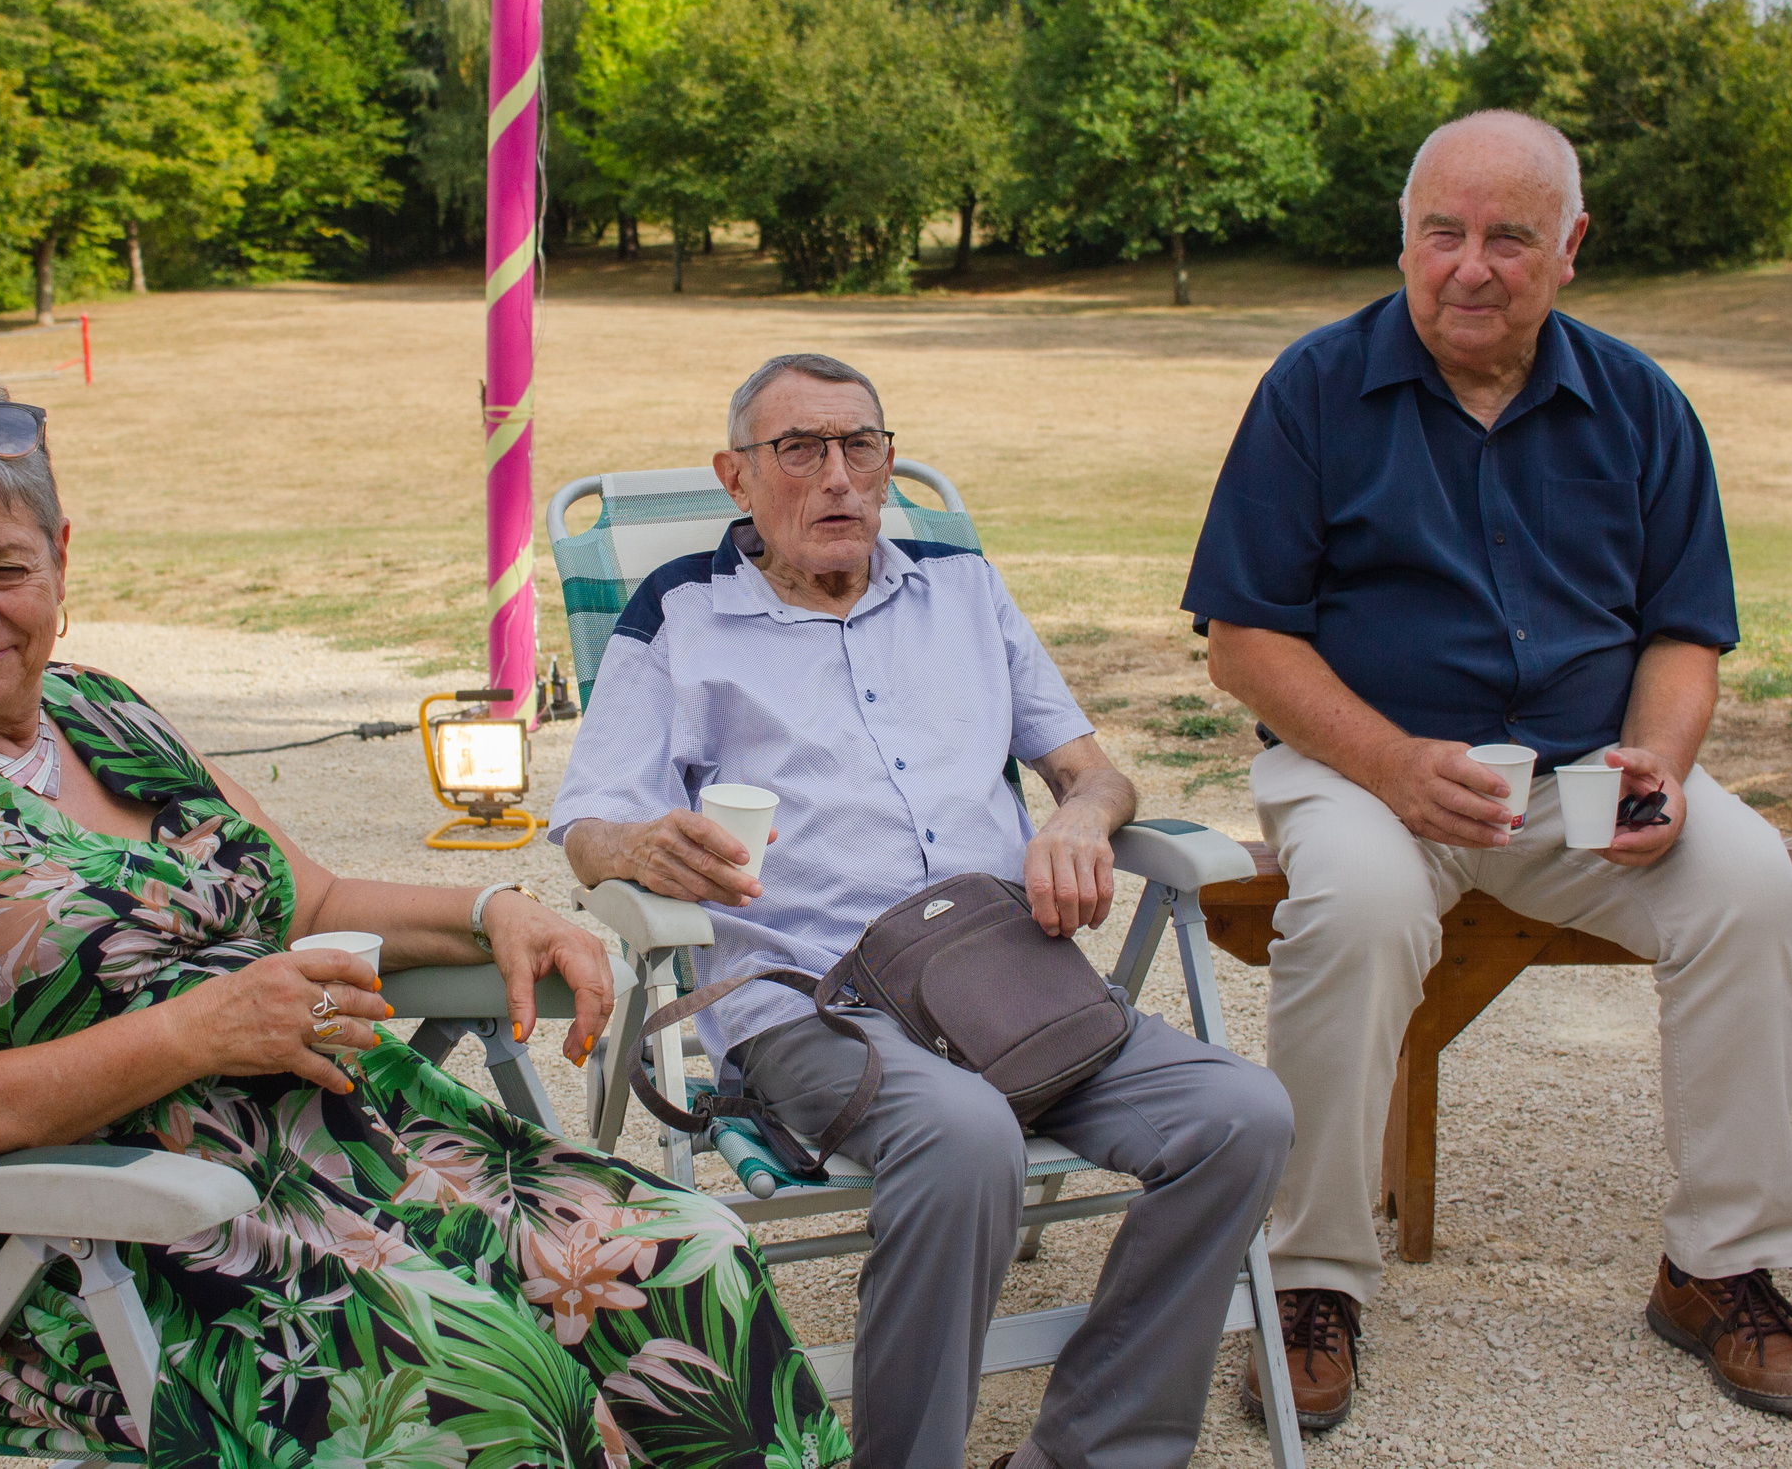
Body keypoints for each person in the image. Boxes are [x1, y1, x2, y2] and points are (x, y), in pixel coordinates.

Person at [0, 373, 846, 1469]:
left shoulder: (95, 708)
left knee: (686, 1255)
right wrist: (189, 1035)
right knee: (484, 1375)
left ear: (60, 560)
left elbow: (301, 901)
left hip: (360, 1164)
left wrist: (487, 907)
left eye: (5, 569)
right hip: (112, 1252)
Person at [1182, 110, 1792, 1432]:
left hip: (1581, 773)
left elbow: (1682, 632)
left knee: (1752, 882)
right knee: (1360, 908)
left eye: (1508, 237)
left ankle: (1720, 1264)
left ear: (1571, 247)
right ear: (1406, 238)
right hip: (1360, 766)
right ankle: (1313, 1282)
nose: (1470, 266)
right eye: (1444, 233)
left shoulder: (1641, 402)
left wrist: (1659, 757)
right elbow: (1246, 643)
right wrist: (1390, 759)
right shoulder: (1314, 388)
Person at [552, 352, 1295, 1469]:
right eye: (799, 450)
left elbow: (1095, 773)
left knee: (1243, 1116)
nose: (837, 476)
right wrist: (641, 845)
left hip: (1007, 982)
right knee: (963, 1139)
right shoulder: (683, 616)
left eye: (860, 446)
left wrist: (1081, 821)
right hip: (810, 1001)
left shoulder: (961, 588)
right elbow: (586, 828)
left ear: (889, 461)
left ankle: (1093, 1452)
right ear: (737, 478)